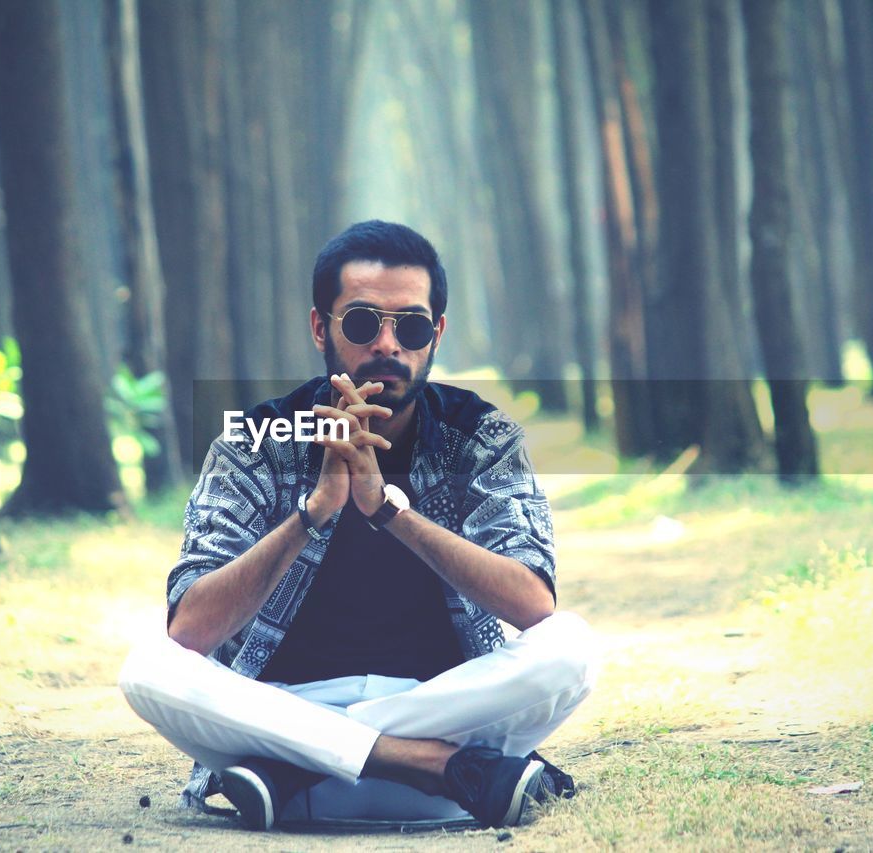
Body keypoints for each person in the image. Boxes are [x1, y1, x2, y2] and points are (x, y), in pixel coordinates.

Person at [119, 220, 598, 831]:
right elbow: (189, 628)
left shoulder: (481, 436)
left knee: (572, 646)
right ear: (322, 326)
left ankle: (310, 763)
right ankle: (426, 765)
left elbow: (533, 601)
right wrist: (313, 512)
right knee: (148, 667)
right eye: (364, 323)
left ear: (437, 335)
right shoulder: (256, 441)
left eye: (413, 326)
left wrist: (389, 510)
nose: (389, 346)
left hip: (326, 744)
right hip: (361, 735)